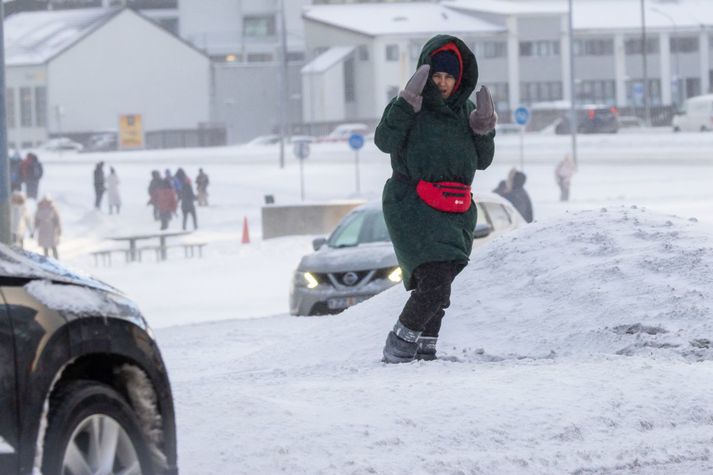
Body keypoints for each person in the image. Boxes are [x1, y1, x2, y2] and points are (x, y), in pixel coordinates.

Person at [375, 34, 497, 363]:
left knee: (442, 278)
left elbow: (483, 161)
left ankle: (425, 345)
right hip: (412, 203)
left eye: (449, 77)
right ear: (427, 74)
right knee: (435, 278)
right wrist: (405, 105)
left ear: (460, 79)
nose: (443, 83)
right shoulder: (410, 104)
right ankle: (399, 344)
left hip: (456, 207)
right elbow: (384, 141)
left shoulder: (467, 112)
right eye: (438, 76)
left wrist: (483, 129)